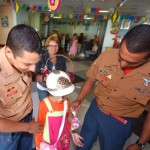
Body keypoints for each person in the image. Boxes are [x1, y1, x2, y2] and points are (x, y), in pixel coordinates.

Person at [71, 24, 150, 150]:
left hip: (118, 122)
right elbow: (91, 79)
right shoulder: (106, 56)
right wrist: (79, 99)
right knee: (82, 144)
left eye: (131, 62)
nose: (123, 64)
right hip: (94, 110)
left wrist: (141, 143)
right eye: (120, 57)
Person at [0, 24, 43, 150]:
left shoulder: (22, 58)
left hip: (27, 117)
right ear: (9, 52)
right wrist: (28, 127)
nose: (33, 68)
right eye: (27, 64)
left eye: (35, 63)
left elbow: (28, 75)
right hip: (8, 129)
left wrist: (43, 78)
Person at [35, 70, 84, 150]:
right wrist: (38, 145)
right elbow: (40, 126)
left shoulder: (66, 102)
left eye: (63, 94)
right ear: (50, 90)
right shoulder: (44, 104)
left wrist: (72, 132)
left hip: (63, 139)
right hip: (49, 141)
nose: (61, 98)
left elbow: (65, 121)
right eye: (58, 95)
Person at [35, 36, 66, 100]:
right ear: (47, 47)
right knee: (45, 105)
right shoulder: (41, 58)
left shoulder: (62, 58)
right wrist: (44, 78)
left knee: (54, 106)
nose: (54, 48)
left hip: (56, 87)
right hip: (43, 87)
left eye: (56, 45)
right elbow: (35, 75)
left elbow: (63, 73)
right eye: (51, 46)